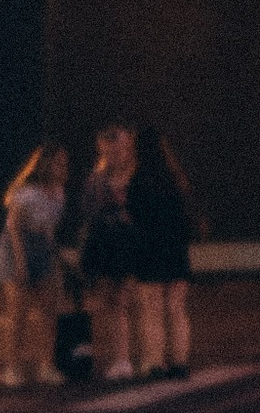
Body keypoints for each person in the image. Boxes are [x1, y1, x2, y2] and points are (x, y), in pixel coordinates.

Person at [125, 123, 196, 377]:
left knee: (152, 309)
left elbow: (132, 216)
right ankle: (180, 363)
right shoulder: (176, 179)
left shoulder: (138, 180)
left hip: (149, 249)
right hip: (176, 249)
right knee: (177, 309)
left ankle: (155, 363)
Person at [0, 142, 69, 386]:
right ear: (45, 164)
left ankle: (47, 365)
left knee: (50, 311)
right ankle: (13, 368)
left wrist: (55, 257)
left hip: (42, 246)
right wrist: (21, 261)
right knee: (19, 313)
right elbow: (14, 227)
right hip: (17, 246)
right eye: (58, 163)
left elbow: (49, 228)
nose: (63, 168)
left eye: (64, 164)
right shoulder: (27, 192)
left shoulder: (59, 192)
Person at [78, 123, 138, 383]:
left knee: (137, 301)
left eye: (118, 149)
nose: (111, 156)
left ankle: (148, 357)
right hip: (107, 246)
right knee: (112, 303)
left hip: (132, 244)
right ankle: (121, 358)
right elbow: (89, 213)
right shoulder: (97, 179)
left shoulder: (138, 176)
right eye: (106, 151)